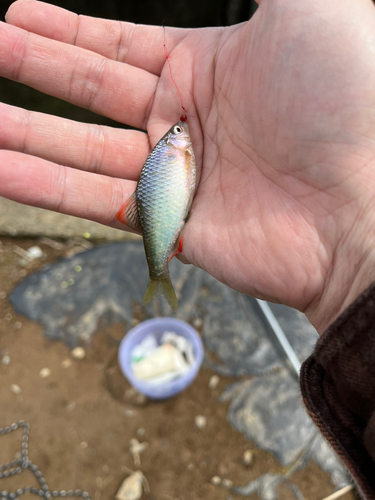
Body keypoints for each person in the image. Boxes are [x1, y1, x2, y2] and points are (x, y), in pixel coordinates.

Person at [0, 0, 375, 496]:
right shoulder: (180, 150)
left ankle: (162, 277)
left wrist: (357, 249)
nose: (182, 133)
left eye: (178, 132)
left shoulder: (179, 150)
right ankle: (162, 275)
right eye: (179, 133)